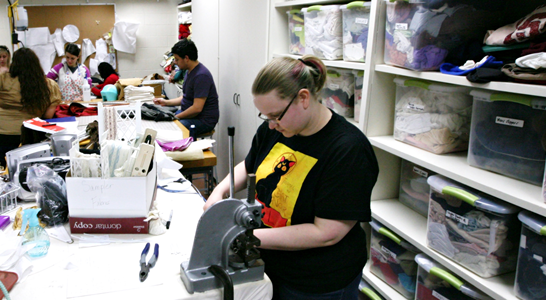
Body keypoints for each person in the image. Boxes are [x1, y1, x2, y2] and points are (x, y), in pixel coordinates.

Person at [203, 56, 378, 300]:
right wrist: (218, 191)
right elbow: (251, 165)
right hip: (269, 263)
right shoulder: (277, 128)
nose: (271, 125)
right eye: (265, 117)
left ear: (303, 98)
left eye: (276, 115)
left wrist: (245, 236)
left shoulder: (348, 149)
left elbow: (327, 232)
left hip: (315, 282)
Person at [0, 47, 62, 169]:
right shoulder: (48, 85)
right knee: (24, 175)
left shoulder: (4, 78)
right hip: (24, 138)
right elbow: (48, 116)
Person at [153, 39, 219, 138]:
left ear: (186, 58)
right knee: (162, 120)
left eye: (177, 59)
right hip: (193, 116)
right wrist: (166, 102)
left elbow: (197, 108)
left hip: (203, 120)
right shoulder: (189, 71)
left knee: (170, 128)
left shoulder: (201, 76)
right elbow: (186, 97)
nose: (175, 62)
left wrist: (175, 117)